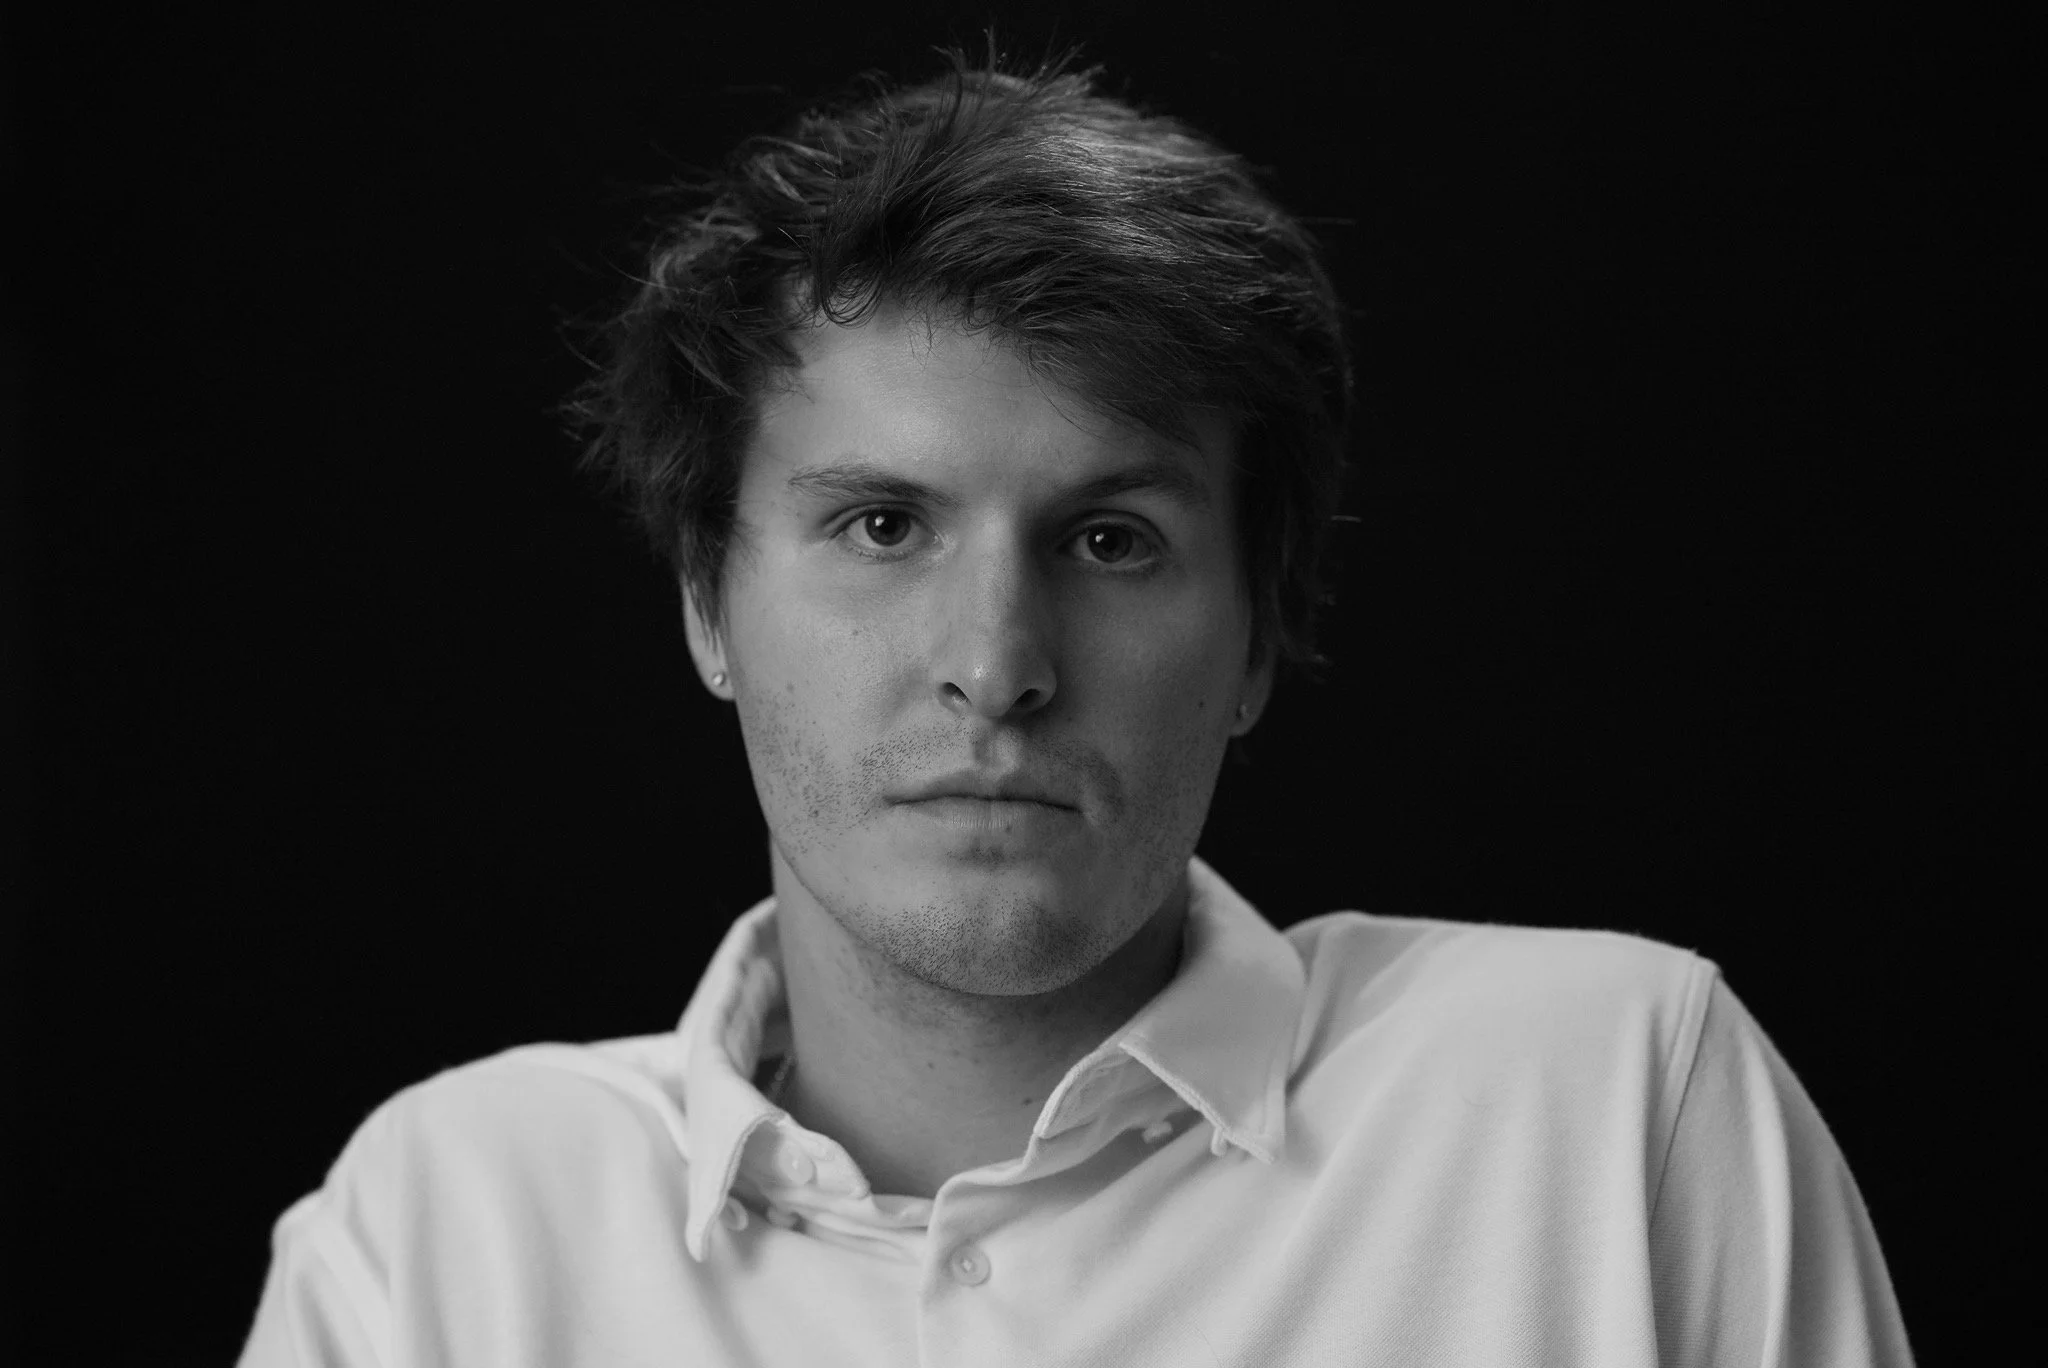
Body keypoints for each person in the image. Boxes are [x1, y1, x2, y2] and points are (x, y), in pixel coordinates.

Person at [234, 49, 1915, 1367]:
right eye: (880, 526)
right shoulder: (440, 1236)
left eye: (1111, 540)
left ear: (1256, 640)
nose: (998, 663)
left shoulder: (1611, 1101)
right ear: (705, 604)